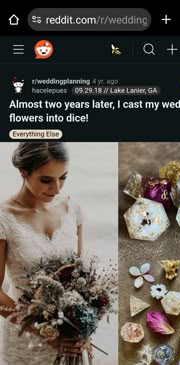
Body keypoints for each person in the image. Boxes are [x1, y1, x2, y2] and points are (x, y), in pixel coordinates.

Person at [0, 142, 91, 365]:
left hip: (71, 340)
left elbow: (81, 278)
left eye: (63, 177)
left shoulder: (72, 209)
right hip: (26, 339)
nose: (57, 188)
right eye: (46, 180)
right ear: (23, 171)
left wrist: (85, 328)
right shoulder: (4, 218)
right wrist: (43, 330)